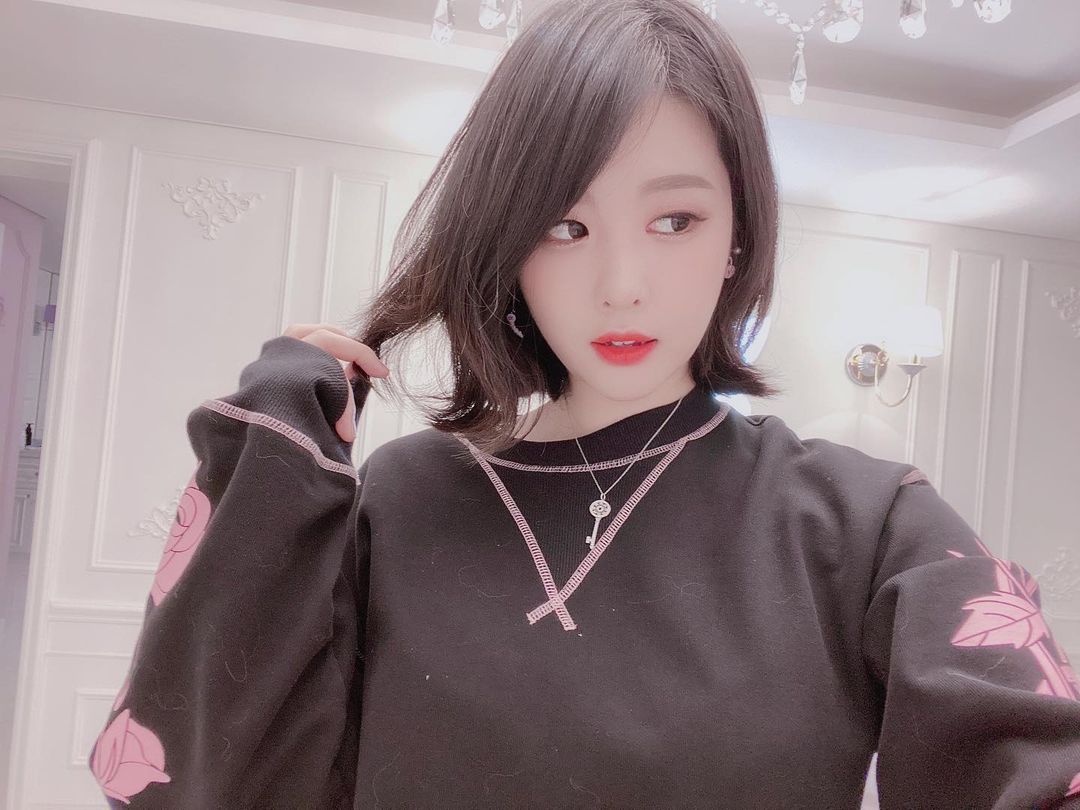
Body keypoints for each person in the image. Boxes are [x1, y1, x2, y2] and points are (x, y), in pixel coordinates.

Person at [88, 0, 1080, 807]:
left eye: (675, 219)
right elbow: (199, 770)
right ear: (508, 244)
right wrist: (275, 445)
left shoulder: (864, 523)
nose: (622, 286)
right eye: (564, 226)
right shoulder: (403, 497)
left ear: (738, 234)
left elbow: (1032, 761)